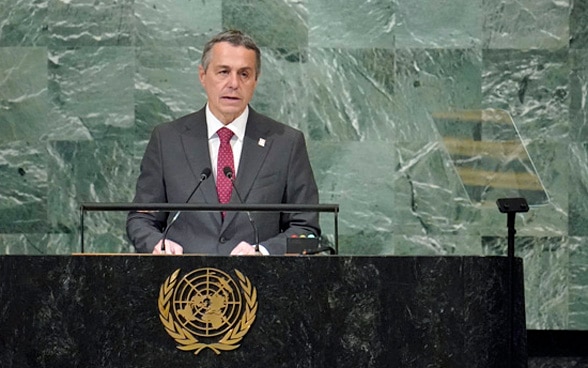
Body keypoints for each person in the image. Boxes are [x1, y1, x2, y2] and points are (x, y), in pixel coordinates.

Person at [126, 30, 320, 255]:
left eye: (244, 74)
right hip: (183, 284)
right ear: (203, 76)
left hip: (260, 283)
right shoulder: (167, 139)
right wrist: (156, 243)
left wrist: (265, 251)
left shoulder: (285, 143)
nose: (234, 83)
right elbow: (140, 219)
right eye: (223, 72)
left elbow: (309, 235)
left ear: (255, 80)